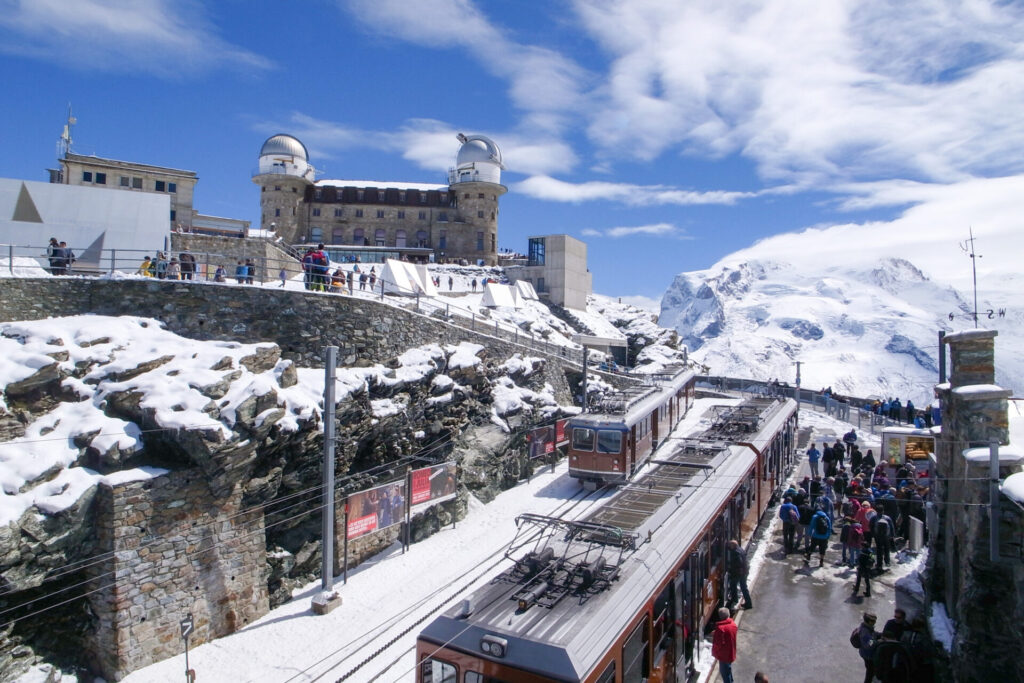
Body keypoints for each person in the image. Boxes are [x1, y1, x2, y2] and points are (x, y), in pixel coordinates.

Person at [711, 607, 737, 683]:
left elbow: (718, 644)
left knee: (725, 674)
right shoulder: (733, 625)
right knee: (728, 670)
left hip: (724, 655)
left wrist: (715, 652)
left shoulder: (720, 629)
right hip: (731, 652)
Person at [726, 540, 752, 609]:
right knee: (744, 587)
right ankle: (748, 603)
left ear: (733, 546)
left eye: (730, 545)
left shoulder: (735, 553)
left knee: (733, 585)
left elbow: (738, 563)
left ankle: (734, 599)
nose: (729, 546)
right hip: (745, 571)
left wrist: (731, 570)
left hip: (739, 573)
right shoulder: (740, 549)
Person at [857, 612, 879, 683]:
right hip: (868, 655)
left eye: (875, 620)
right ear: (868, 621)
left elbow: (874, 634)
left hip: (867, 654)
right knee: (870, 673)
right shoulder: (865, 631)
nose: (875, 622)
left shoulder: (867, 628)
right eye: (873, 621)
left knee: (870, 672)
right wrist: (878, 641)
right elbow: (869, 644)